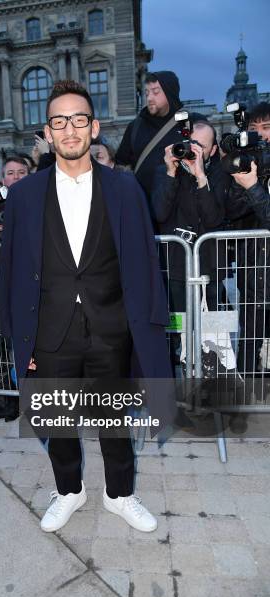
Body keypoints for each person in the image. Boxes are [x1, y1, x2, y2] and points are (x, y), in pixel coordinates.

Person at [0, 80, 173, 534]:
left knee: (113, 418)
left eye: (79, 120)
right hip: (50, 329)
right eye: (60, 121)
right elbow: (12, 271)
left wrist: (144, 330)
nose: (70, 129)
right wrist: (19, 337)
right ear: (49, 131)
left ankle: (120, 494)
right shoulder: (24, 196)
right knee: (56, 420)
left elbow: (144, 263)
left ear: (93, 128)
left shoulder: (125, 188)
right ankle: (69, 489)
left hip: (111, 325)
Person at [151, 118, 227, 312]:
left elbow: (213, 218)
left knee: (213, 334)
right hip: (175, 266)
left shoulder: (220, 175)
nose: (194, 150)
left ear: (213, 150)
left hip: (210, 267)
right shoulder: (165, 172)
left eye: (202, 146)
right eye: (191, 144)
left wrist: (201, 177)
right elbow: (159, 213)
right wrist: (171, 172)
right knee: (179, 331)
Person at [225, 102, 270, 377]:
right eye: (254, 129)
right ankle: (246, 409)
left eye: (266, 128)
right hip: (253, 274)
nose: (260, 135)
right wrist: (245, 181)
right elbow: (231, 211)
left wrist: (254, 187)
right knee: (250, 350)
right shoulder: (249, 166)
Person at [115, 71, 183, 200]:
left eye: (155, 92)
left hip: (180, 209)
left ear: (170, 93)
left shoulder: (189, 124)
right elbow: (120, 164)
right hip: (143, 207)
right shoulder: (135, 127)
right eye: (147, 93)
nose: (149, 98)